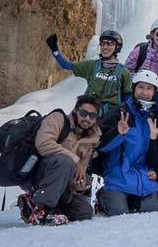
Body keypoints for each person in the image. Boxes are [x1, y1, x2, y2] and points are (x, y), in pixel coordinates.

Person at [17, 94, 101, 226]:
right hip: (40, 175)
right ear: (75, 111)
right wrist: (74, 158)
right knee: (65, 161)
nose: (87, 118)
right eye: (83, 113)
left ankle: (33, 204)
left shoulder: (91, 139)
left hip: (62, 187)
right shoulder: (58, 119)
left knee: (84, 212)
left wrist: (78, 185)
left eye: (92, 116)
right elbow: (43, 144)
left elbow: (79, 173)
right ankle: (42, 209)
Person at [96, 70, 158, 215]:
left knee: (151, 210)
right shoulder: (119, 112)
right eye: (141, 87)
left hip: (143, 174)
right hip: (117, 172)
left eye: (149, 88)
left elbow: (157, 154)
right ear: (133, 89)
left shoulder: (153, 117)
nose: (144, 92)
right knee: (119, 212)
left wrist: (156, 171)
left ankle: (132, 201)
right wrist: (118, 134)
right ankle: (103, 196)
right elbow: (99, 146)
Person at [45, 29, 130, 122]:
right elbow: (66, 65)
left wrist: (123, 116)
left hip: (109, 118)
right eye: (103, 43)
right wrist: (55, 50)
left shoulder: (123, 72)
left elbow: (127, 96)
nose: (105, 47)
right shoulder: (92, 65)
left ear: (117, 47)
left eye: (110, 44)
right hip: (87, 113)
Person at [123, 19, 158, 88]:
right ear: (152, 34)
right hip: (141, 95)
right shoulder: (140, 50)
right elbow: (125, 73)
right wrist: (141, 81)